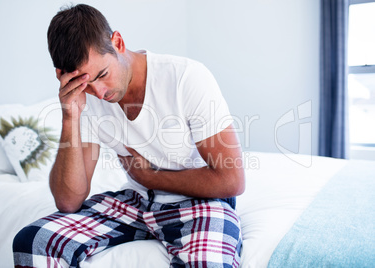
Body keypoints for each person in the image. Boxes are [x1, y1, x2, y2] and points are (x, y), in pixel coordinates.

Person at [13, 4, 245, 267]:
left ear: (118, 42)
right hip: (137, 202)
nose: (99, 93)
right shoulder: (83, 100)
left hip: (200, 203)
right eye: (86, 84)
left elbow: (232, 180)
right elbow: (68, 201)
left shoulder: (186, 78)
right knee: (33, 242)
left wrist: (151, 177)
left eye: (102, 75)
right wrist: (70, 117)